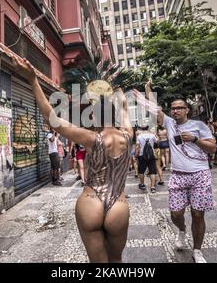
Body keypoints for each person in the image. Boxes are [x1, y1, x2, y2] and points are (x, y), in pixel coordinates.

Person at [12, 55, 133, 263]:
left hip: (90, 202)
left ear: (93, 117)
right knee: (116, 261)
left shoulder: (91, 138)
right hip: (119, 206)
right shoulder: (129, 135)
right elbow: (123, 106)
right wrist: (112, 90)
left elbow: (54, 121)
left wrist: (33, 80)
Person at [139, 80, 217, 263]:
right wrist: (147, 89)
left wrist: (195, 139)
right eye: (173, 108)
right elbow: (155, 109)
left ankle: (197, 250)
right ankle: (182, 230)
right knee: (176, 214)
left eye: (180, 108)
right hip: (178, 176)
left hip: (200, 175)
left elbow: (212, 149)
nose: (176, 111)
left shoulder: (200, 126)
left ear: (187, 110)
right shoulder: (169, 123)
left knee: (198, 214)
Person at [135, 126, 159, 193]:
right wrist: (155, 134)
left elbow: (137, 147)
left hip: (142, 155)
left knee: (141, 171)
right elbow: (157, 142)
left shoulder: (139, 137)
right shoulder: (152, 135)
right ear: (148, 128)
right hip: (151, 155)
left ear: (141, 129)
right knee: (152, 171)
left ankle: (142, 184)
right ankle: (152, 187)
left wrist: (136, 155)